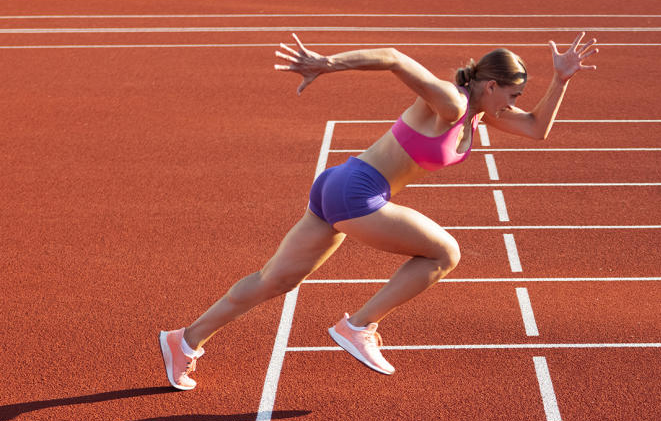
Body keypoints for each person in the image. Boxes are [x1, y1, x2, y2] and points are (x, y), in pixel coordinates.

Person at [159, 32, 598, 390]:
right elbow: (392, 57)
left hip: (338, 185)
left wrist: (562, 79)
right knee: (444, 254)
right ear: (490, 86)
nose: (514, 102)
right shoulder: (453, 103)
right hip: (358, 191)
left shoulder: (480, 115)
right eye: (513, 93)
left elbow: (538, 129)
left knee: (274, 280)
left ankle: (186, 340)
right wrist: (327, 63)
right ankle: (358, 326)